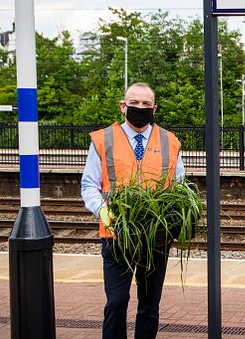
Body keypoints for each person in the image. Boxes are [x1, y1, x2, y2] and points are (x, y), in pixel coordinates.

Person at [81, 82, 184, 339]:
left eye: (146, 104)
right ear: (123, 106)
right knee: (116, 302)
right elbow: (89, 185)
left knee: (149, 307)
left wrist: (175, 221)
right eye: (135, 103)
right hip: (116, 235)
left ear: (154, 108)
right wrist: (103, 212)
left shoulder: (170, 142)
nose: (140, 108)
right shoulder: (103, 139)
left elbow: (180, 188)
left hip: (155, 238)